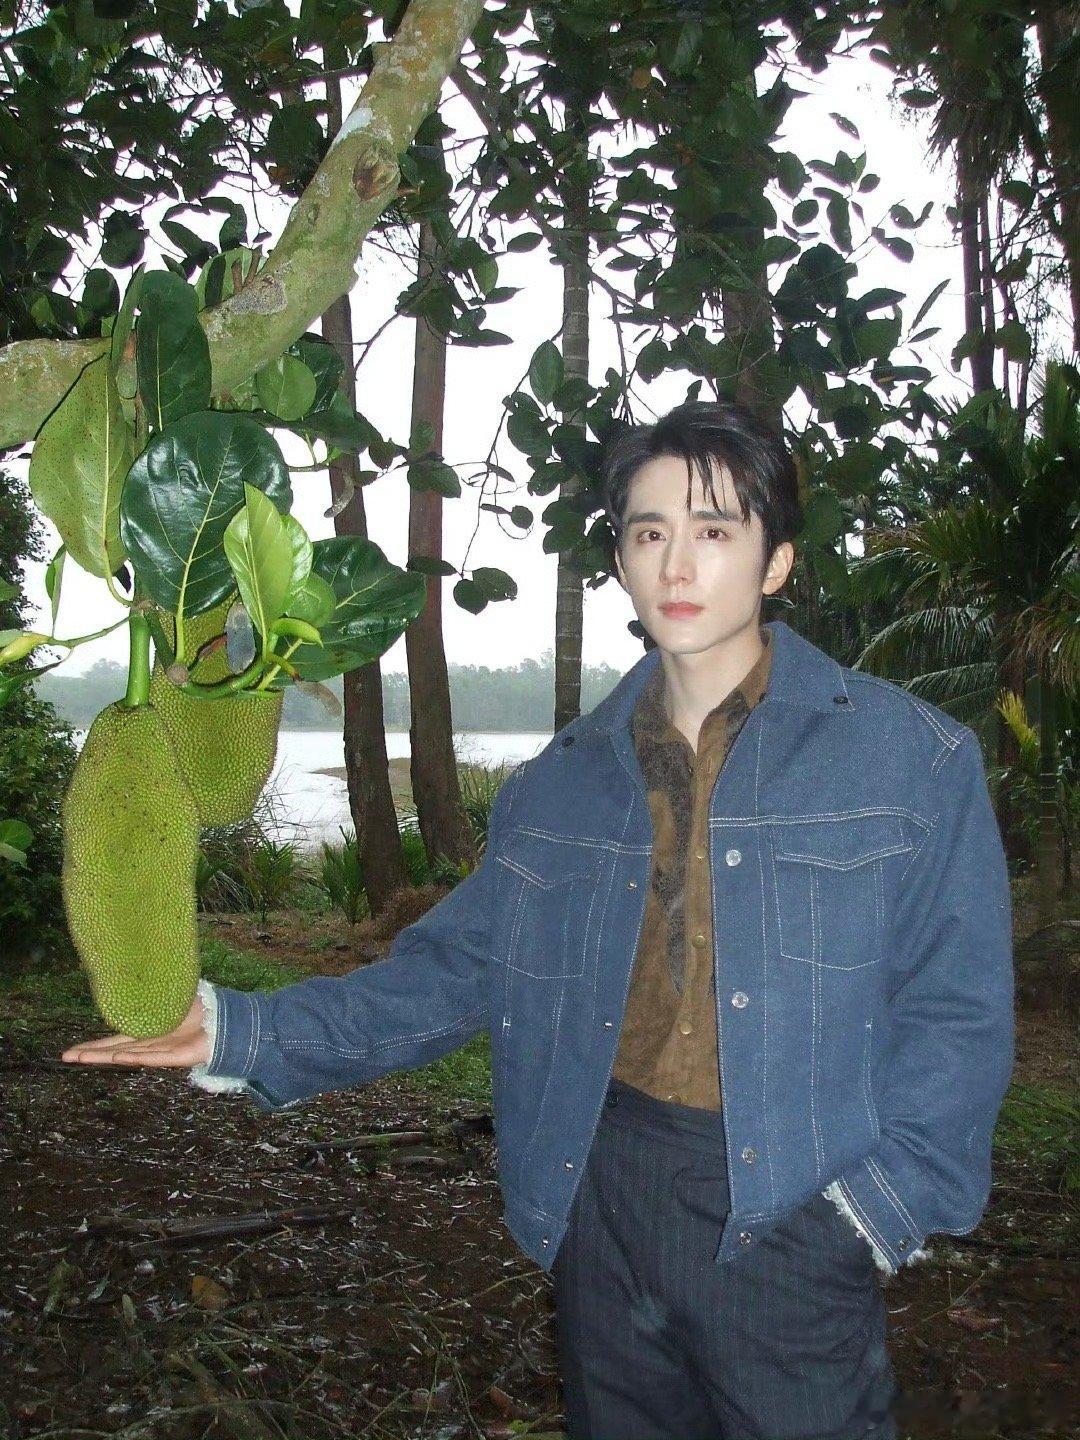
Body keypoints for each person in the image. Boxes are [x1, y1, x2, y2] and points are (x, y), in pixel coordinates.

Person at [62, 399, 1015, 1440]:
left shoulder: (910, 760)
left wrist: (872, 1215)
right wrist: (238, 1031)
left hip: (793, 1203)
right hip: (600, 1190)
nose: (677, 565)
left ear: (776, 561)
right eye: (648, 533)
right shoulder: (558, 785)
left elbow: (959, 1011)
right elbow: (455, 972)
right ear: (623, 561)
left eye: (714, 531)